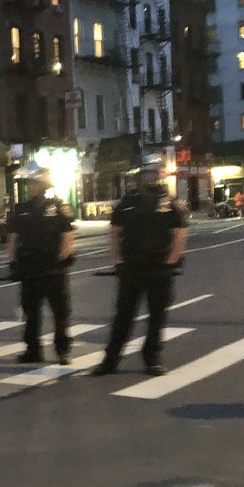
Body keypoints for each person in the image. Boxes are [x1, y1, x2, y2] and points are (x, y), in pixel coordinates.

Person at [92, 154, 189, 377]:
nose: (151, 177)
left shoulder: (170, 204)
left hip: (159, 267)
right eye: (146, 173)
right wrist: (118, 260)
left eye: (154, 173)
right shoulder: (127, 203)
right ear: (138, 177)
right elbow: (115, 233)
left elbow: (180, 234)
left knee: (157, 317)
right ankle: (110, 360)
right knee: (123, 316)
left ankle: (152, 358)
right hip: (131, 268)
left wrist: (171, 260)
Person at [8, 163, 75, 365]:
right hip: (30, 269)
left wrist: (62, 257)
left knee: (60, 313)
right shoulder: (22, 209)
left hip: (52, 269)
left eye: (33, 183)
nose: (30, 186)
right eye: (29, 183)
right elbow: (13, 237)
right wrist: (13, 261)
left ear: (43, 184)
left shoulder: (58, 207)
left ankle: (63, 351)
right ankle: (33, 350)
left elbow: (67, 235)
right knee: (31, 313)